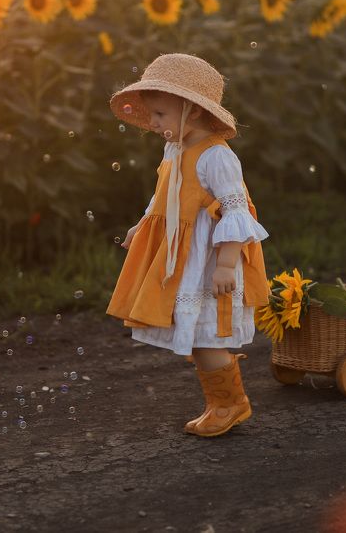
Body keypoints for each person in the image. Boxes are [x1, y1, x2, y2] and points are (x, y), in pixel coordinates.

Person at [105, 53, 270, 438]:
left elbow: (236, 211)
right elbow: (164, 196)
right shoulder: (174, 148)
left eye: (161, 114)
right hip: (183, 258)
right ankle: (220, 402)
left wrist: (227, 265)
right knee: (196, 333)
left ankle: (230, 402)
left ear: (193, 111)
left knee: (208, 334)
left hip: (208, 260)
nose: (154, 123)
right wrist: (142, 225)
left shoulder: (216, 157)